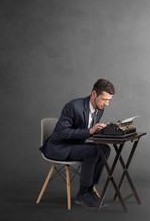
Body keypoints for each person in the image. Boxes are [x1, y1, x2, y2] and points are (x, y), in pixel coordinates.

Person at [40, 79, 115, 209]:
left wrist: (102, 129)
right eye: (104, 99)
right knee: (92, 152)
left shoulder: (100, 108)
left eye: (109, 100)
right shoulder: (73, 106)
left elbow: (89, 130)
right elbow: (60, 133)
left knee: (105, 149)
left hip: (76, 145)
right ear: (93, 93)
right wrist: (89, 131)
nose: (107, 104)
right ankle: (83, 194)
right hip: (59, 147)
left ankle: (90, 190)